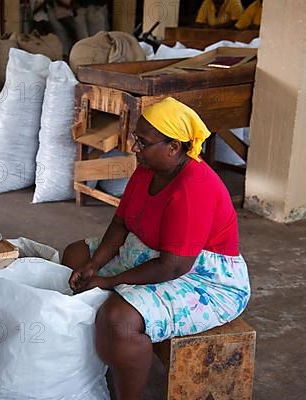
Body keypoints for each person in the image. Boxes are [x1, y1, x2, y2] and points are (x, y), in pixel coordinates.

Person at [62, 97, 251, 400]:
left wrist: (109, 281)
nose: (135, 147)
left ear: (174, 147)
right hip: (152, 251)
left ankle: (128, 387)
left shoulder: (194, 188)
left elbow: (173, 267)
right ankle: (113, 343)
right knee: (75, 256)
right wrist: (94, 265)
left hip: (203, 278)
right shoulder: (149, 168)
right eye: (137, 138)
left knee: (118, 320)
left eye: (143, 142)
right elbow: (120, 223)